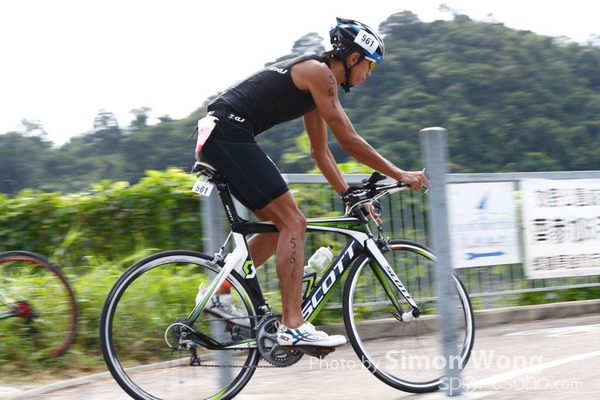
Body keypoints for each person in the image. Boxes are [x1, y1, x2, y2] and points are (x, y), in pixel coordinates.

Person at [195, 17, 429, 348]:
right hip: (227, 133)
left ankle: (220, 293)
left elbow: (321, 152)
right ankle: (292, 325)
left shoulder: (315, 84)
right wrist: (400, 174)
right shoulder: (320, 73)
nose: (368, 74)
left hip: (222, 135)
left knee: (277, 226)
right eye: (370, 66)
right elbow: (348, 139)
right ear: (353, 58)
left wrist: (348, 196)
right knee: (294, 222)